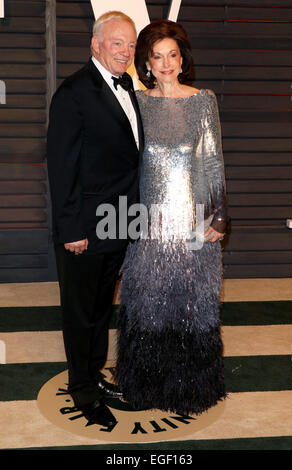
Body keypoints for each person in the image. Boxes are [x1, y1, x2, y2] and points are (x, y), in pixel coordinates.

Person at [115, 19, 227, 415]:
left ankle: (191, 390)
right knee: (147, 304)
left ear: (182, 60)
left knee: (192, 306)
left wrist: (219, 218)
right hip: (148, 227)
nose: (165, 64)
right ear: (145, 63)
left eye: (172, 55)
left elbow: (212, 163)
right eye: (156, 56)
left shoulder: (202, 101)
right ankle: (145, 387)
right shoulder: (138, 104)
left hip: (192, 226)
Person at [47, 11, 143, 426]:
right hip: (84, 228)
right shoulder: (73, 92)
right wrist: (71, 229)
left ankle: (94, 374)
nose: (125, 51)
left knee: (102, 308)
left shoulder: (130, 88)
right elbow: (61, 167)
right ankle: (82, 391)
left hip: (119, 222)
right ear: (96, 44)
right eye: (117, 42)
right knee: (80, 311)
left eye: (131, 44)